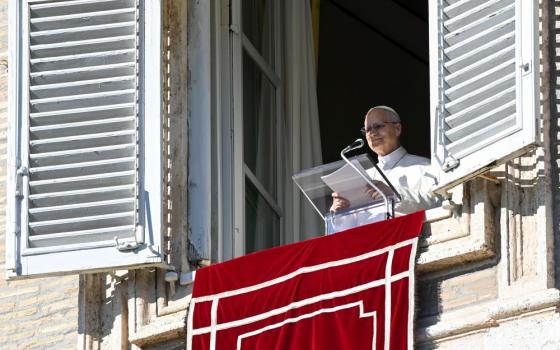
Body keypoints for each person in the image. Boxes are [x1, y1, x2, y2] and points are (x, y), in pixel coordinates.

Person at [331, 106, 441, 217]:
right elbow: (357, 222)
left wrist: (393, 194)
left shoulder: (423, 166)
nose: (372, 133)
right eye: (368, 129)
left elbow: (436, 203)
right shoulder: (364, 176)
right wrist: (341, 213)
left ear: (397, 129)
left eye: (378, 126)